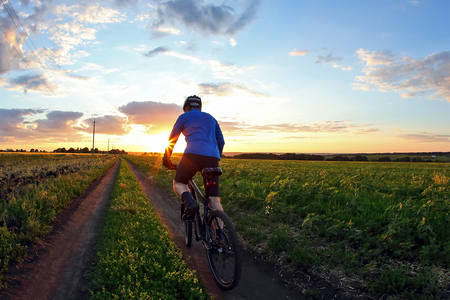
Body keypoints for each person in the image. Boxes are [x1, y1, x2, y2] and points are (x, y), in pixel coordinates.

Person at [163, 95, 225, 220]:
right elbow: (221, 141)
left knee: (179, 183)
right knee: (214, 199)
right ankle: (219, 236)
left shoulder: (183, 117)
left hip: (192, 155)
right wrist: (215, 157)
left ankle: (190, 202)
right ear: (199, 107)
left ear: (186, 107)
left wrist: (166, 159)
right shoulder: (212, 119)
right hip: (212, 158)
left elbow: (172, 140)